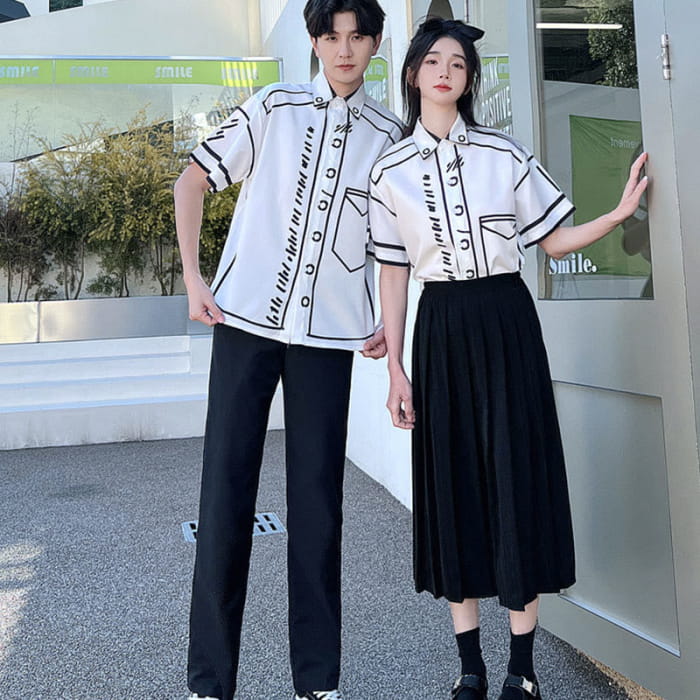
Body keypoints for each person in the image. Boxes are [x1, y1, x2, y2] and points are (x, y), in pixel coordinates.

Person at [369, 18, 648, 700]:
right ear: (413, 74)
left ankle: (522, 670)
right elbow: (394, 274)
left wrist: (616, 215)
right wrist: (396, 366)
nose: (445, 72)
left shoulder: (504, 153)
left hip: (507, 321)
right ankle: (470, 667)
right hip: (440, 326)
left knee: (516, 477)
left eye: (458, 64)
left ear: (468, 80)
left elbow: (553, 241)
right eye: (433, 61)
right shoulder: (388, 172)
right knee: (454, 482)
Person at [174, 1, 402, 698]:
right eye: (331, 37)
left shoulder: (389, 136)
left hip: (328, 339)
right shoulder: (275, 106)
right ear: (314, 41)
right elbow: (192, 179)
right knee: (224, 498)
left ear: (375, 44)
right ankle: (209, 682)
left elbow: (395, 246)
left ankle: (318, 682)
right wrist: (194, 278)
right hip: (245, 324)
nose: (344, 50)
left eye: (357, 37)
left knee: (318, 508)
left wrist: (390, 325)